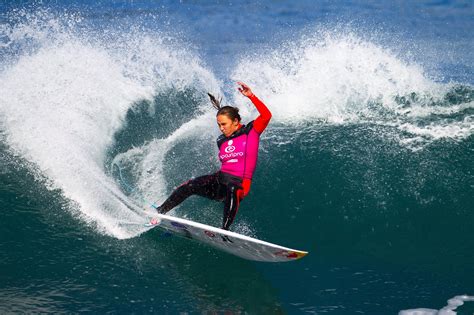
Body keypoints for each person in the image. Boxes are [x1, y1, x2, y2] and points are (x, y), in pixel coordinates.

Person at [150, 82, 272, 230]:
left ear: (235, 121)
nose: (221, 128)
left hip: (240, 185)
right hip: (220, 182)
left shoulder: (250, 132)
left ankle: (224, 230)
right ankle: (159, 212)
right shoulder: (221, 140)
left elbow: (266, 115)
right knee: (189, 185)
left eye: (224, 124)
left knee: (233, 189)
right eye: (219, 125)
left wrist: (251, 96)